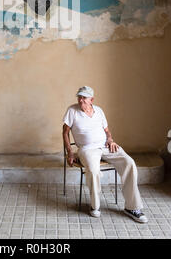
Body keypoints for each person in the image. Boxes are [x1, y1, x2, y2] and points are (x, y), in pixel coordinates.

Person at [62, 86, 148, 222]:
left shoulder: (99, 111)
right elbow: (65, 132)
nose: (80, 100)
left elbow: (107, 130)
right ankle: (94, 206)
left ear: (92, 99)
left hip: (105, 146)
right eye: (79, 97)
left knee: (129, 163)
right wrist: (70, 152)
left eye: (84, 97)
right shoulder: (72, 111)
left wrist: (110, 139)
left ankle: (133, 207)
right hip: (87, 149)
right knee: (93, 170)